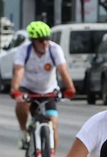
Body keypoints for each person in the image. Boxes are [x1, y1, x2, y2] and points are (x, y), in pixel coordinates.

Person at [9, 20, 76, 149]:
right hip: (28, 88)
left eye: (47, 39)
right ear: (33, 41)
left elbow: (62, 70)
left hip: (48, 90)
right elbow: (19, 71)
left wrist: (70, 88)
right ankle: (23, 131)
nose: (45, 43)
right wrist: (15, 89)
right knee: (21, 103)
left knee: (53, 125)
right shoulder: (23, 51)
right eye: (41, 40)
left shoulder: (55, 49)